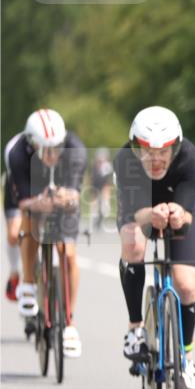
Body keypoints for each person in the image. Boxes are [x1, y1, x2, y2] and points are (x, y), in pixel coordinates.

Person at [115, 106, 195, 389]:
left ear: (175, 147)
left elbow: (187, 212)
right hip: (139, 210)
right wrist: (150, 215)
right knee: (133, 242)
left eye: (163, 152)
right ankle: (135, 328)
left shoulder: (191, 158)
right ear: (136, 148)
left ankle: (186, 356)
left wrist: (178, 214)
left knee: (186, 285)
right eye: (148, 152)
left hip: (178, 208)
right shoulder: (124, 160)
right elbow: (133, 211)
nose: (156, 160)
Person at [7, 109, 87, 357]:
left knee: (68, 253)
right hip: (30, 190)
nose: (52, 155)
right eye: (45, 150)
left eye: (56, 149)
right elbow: (24, 203)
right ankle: (28, 283)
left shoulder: (75, 149)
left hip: (61, 191)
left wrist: (65, 198)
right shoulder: (17, 153)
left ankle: (70, 322)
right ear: (31, 145)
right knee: (23, 228)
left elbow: (74, 196)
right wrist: (40, 201)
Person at [4, 132, 23, 302]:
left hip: (45, 183)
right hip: (19, 187)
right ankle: (15, 271)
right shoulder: (15, 149)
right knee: (13, 234)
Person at [89, 146, 114, 229]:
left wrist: (106, 194)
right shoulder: (94, 167)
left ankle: (103, 213)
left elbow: (108, 182)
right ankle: (95, 217)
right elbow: (92, 180)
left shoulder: (107, 167)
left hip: (104, 186)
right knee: (94, 205)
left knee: (105, 205)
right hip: (95, 187)